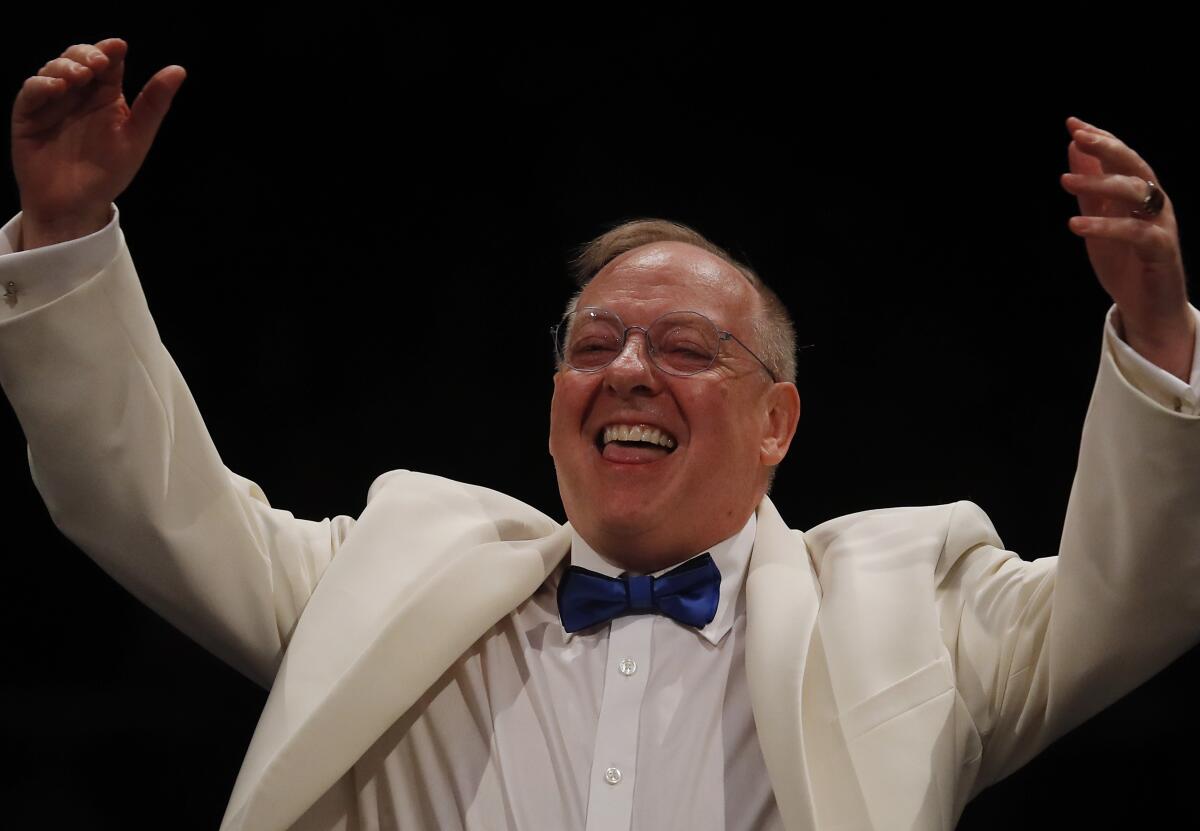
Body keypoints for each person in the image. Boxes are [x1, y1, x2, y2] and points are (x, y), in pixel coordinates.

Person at [2, 36, 1199, 831]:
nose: (629, 371)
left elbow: (1136, 594)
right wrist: (66, 232)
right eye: (594, 346)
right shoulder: (385, 571)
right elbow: (138, 494)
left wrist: (1155, 334)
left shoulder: (919, 607)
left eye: (686, 350)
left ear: (778, 419)